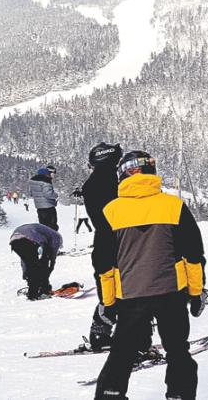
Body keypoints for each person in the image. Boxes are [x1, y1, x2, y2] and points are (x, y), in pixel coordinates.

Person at [95, 150, 206, 400]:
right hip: (171, 293)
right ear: (151, 172)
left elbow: (104, 265)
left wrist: (108, 302)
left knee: (122, 352)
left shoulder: (111, 211)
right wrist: (196, 293)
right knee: (178, 350)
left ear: (122, 175)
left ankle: (111, 395)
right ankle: (179, 395)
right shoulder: (174, 206)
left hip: (131, 295)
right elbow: (193, 256)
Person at [77, 142, 124, 351]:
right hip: (118, 242)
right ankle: (131, 336)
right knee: (120, 292)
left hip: (105, 243)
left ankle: (101, 334)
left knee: (109, 292)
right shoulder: (115, 181)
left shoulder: (95, 182)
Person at [9, 223, 63, 300]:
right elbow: (52, 255)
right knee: (37, 267)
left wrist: (26, 273)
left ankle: (42, 288)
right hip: (29, 238)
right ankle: (33, 294)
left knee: (33, 265)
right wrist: (51, 266)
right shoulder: (56, 237)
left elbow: (26, 261)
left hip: (15, 241)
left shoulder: (46, 233)